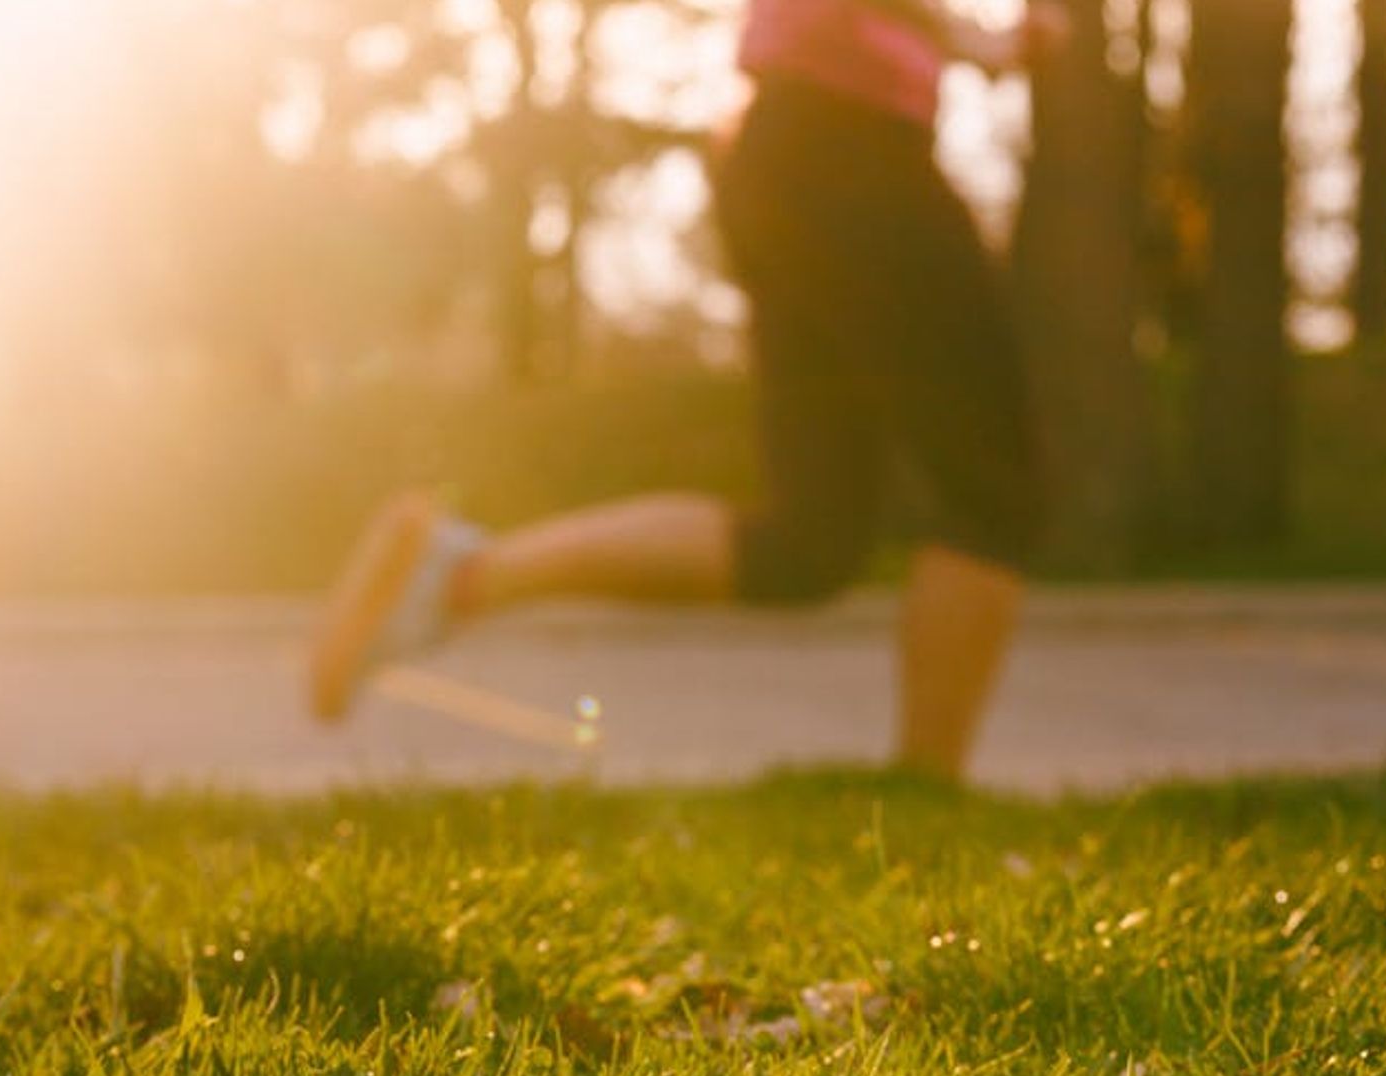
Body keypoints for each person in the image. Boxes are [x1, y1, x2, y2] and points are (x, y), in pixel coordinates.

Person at [307, 0, 1070, 782]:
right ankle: (926, 790)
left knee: (811, 543)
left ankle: (458, 574)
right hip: (846, 144)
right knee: (995, 488)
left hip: (791, 147)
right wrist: (973, 37)